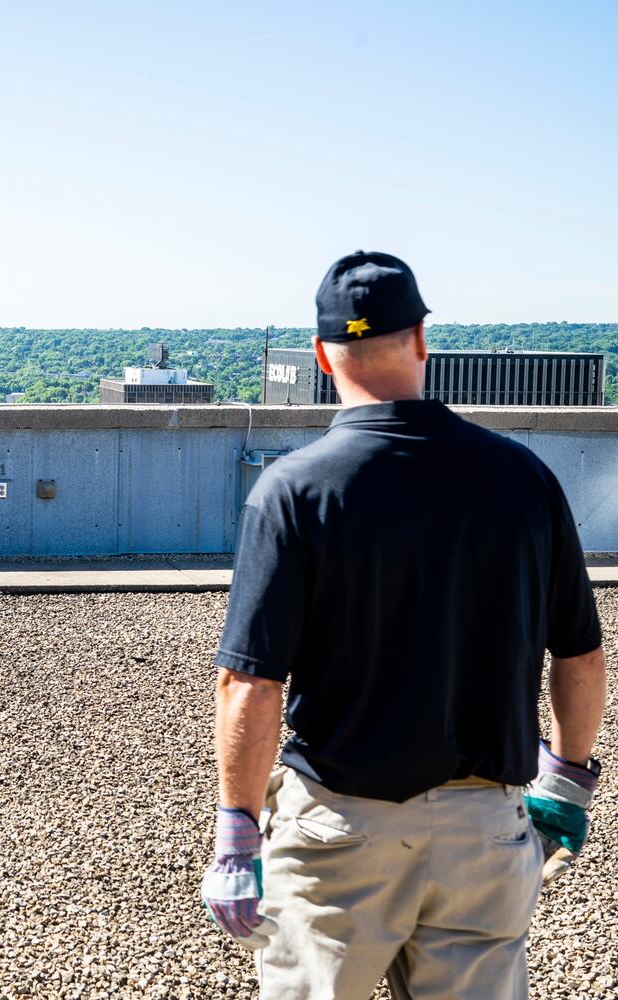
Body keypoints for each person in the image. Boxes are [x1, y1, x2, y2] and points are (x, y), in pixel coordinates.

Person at [200, 251, 607, 999]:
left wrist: (238, 827)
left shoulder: (294, 492)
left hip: (339, 828)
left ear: (322, 357)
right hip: (486, 827)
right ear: (423, 339)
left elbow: (251, 682)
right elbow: (580, 654)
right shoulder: (522, 478)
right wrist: (568, 784)